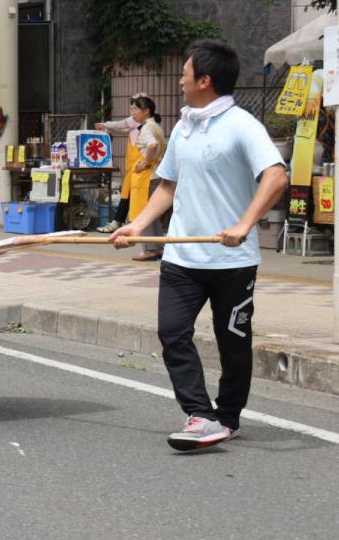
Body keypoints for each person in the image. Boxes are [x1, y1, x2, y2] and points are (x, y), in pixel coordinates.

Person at [111, 40, 287, 452]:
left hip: (232, 262)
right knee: (172, 333)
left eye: (185, 74)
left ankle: (228, 417)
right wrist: (137, 225)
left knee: (234, 344)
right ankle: (200, 415)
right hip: (182, 258)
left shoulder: (242, 126)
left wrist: (245, 223)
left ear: (204, 80)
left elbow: (276, 175)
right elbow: (168, 185)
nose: (180, 80)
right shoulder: (185, 125)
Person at [96, 95, 168, 261]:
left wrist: (146, 162)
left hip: (146, 177)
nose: (132, 113)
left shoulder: (147, 128)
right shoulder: (155, 126)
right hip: (156, 174)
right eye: (131, 109)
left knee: (144, 213)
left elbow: (152, 145)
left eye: (135, 109)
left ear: (146, 111)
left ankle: (149, 250)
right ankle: (158, 248)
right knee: (153, 214)